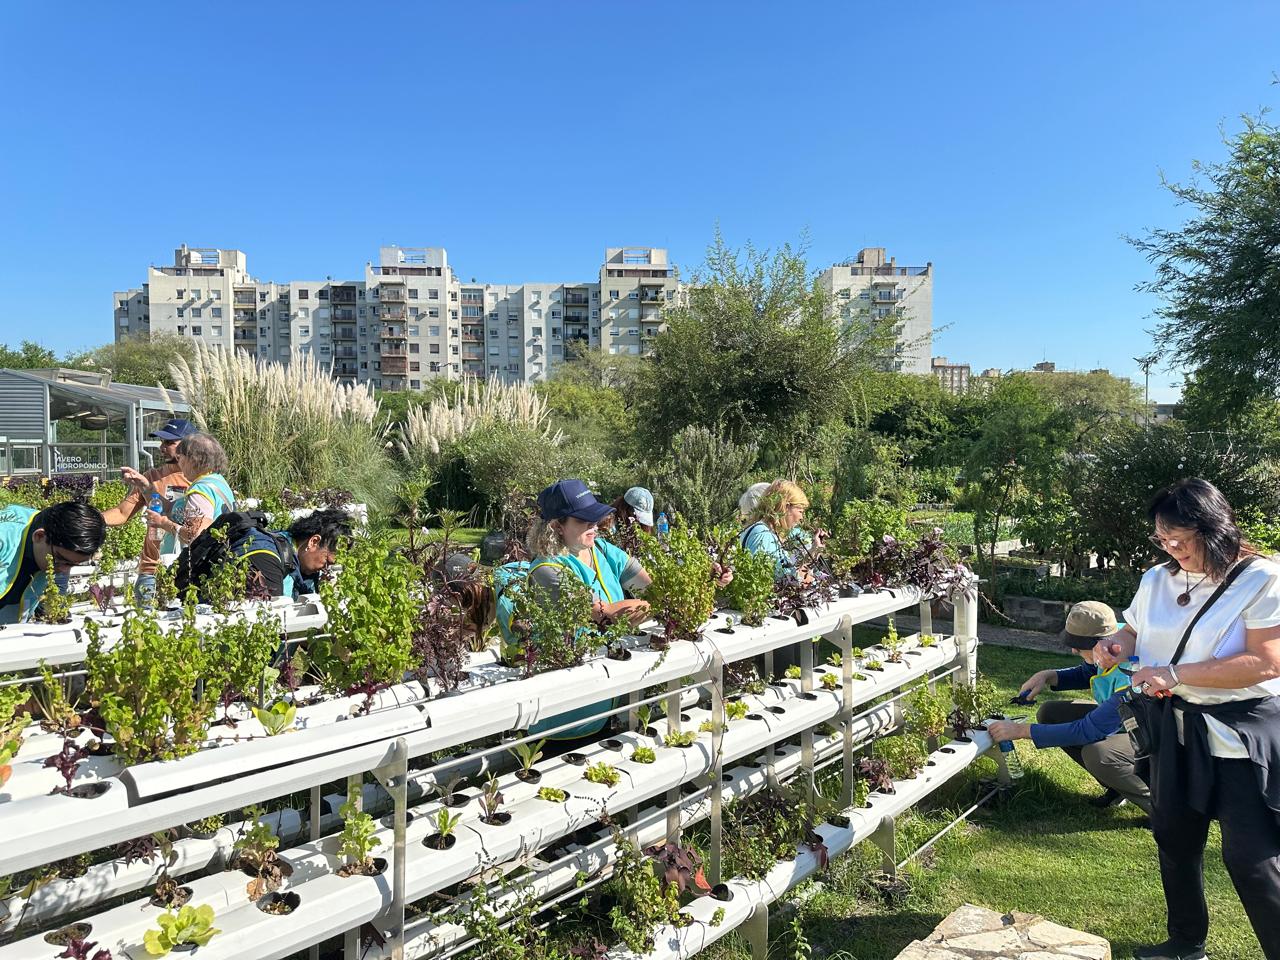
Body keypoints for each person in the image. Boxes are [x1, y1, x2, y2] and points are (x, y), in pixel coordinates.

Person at [1097, 478, 1280, 960]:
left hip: (1238, 733)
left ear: (1215, 530)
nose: (1171, 548)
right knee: (1174, 840)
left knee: (1252, 859)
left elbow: (1267, 662)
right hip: (1173, 728)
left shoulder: (1263, 579)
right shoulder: (1157, 579)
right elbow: (1134, 629)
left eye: (1180, 538)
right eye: (1162, 539)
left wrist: (1175, 674)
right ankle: (1185, 944)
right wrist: (1117, 644)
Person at [986, 601, 1152, 815]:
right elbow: (1087, 672)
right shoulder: (1113, 642)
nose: (1074, 649)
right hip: (1124, 725)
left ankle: (1164, 808)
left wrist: (1020, 731)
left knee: (1099, 755)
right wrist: (1047, 676)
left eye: (1079, 645)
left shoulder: (1130, 677)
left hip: (1153, 738)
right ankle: (1119, 787)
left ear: (1100, 643)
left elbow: (1088, 731)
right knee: (1050, 713)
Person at [102, 417, 198, 602]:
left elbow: (190, 523)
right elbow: (122, 513)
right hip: (150, 570)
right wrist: (89, 518)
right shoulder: (151, 476)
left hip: (187, 568)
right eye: (162, 442)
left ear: (189, 446)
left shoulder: (199, 480)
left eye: (169, 442)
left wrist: (148, 489)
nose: (162, 447)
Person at [0, 501, 106, 624]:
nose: (64, 570)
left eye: (72, 564)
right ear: (39, 536)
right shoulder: (4, 539)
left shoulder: (59, 548)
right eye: (61, 560)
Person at [143, 433, 234, 556]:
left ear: (193, 459)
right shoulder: (218, 481)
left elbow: (194, 535)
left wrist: (163, 523)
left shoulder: (200, 490)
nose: (179, 463)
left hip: (196, 563)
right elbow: (171, 508)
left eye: (180, 457)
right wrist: (145, 487)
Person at [231, 509, 353, 599]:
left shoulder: (294, 554)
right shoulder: (266, 560)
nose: (325, 570)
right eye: (326, 562)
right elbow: (268, 616)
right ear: (313, 542)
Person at [739, 479, 825, 579]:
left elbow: (791, 576)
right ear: (785, 508)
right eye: (800, 511)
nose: (801, 518)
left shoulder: (767, 533)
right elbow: (786, 581)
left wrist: (815, 550)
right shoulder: (762, 534)